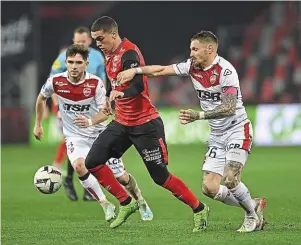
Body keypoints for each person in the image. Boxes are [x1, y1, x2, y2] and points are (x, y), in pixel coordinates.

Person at [117, 30, 267, 233]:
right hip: (217, 135)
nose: (191, 53)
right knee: (209, 188)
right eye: (190, 49)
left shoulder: (226, 71)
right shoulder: (191, 67)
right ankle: (253, 204)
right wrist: (136, 72)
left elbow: (230, 107)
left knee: (230, 178)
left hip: (237, 129)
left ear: (210, 49)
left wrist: (199, 116)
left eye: (195, 49)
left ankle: (251, 215)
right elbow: (161, 70)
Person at [84, 16, 210, 231]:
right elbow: (115, 82)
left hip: (146, 125)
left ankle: (199, 209)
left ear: (113, 35)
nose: (98, 43)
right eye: (95, 39)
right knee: (93, 162)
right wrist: (108, 98)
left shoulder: (129, 53)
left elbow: (138, 87)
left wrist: (119, 94)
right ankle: (127, 202)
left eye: (100, 38)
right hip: (122, 122)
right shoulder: (109, 54)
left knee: (160, 178)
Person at [33, 44, 153, 222]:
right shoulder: (56, 81)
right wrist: (38, 124)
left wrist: (90, 121)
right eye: (71, 62)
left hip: (99, 134)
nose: (74, 66)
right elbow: (41, 98)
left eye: (79, 62)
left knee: (121, 177)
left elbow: (105, 113)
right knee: (80, 166)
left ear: (86, 64)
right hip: (75, 136)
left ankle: (140, 200)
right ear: (66, 62)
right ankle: (105, 204)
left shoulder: (95, 84)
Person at [48, 26, 107, 202]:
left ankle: (77, 182)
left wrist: (103, 102)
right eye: (77, 41)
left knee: (91, 145)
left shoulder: (97, 57)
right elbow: (52, 84)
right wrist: (57, 108)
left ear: (89, 41)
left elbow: (101, 80)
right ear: (73, 42)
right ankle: (71, 181)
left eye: (84, 41)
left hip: (89, 106)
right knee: (74, 141)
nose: (80, 44)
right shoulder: (64, 57)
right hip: (67, 107)